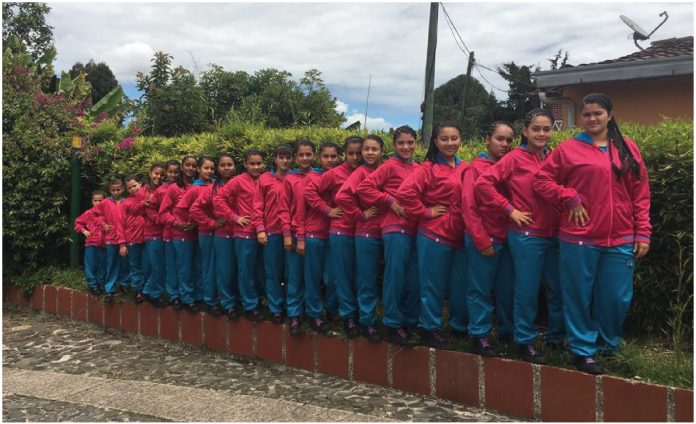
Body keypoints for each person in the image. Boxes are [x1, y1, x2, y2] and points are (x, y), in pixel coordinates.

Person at [533, 93, 651, 375]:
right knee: (577, 295)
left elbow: (641, 193)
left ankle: (608, 346)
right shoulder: (568, 149)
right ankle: (582, 350)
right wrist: (569, 197)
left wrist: (643, 232)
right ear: (581, 118)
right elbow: (541, 180)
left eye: (597, 113)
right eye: (586, 114)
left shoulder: (627, 148)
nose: (592, 118)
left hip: (621, 237)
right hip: (579, 236)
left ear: (610, 114)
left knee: (617, 297)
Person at [475, 110, 564, 364]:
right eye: (536, 128)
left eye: (546, 129)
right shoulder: (514, 158)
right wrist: (509, 209)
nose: (541, 134)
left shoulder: (554, 157)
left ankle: (557, 338)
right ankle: (524, 341)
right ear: (525, 131)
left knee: (559, 289)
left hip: (555, 234)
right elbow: (483, 184)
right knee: (527, 290)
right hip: (527, 236)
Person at [397, 122, 467, 349]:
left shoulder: (465, 167)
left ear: (460, 140)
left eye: (454, 138)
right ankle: (428, 328)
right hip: (434, 234)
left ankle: (458, 326)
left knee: (459, 284)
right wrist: (425, 212)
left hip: (459, 235)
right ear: (435, 142)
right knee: (432, 285)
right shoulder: (428, 168)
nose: (450, 143)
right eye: (444, 139)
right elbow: (404, 193)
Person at [357, 126, 421, 347]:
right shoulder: (389, 166)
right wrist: (389, 200)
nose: (406, 147)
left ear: (416, 143)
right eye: (401, 143)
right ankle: (393, 324)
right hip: (394, 228)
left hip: (415, 229)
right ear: (394, 145)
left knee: (413, 279)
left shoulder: (419, 167)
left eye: (410, 142)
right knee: (395, 277)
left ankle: (410, 321)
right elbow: (364, 188)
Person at [461, 122, 516, 357]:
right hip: (484, 238)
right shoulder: (475, 169)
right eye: (499, 139)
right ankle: (479, 334)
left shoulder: (510, 166)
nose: (504, 144)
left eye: (509, 140)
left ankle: (507, 332)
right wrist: (481, 241)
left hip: (508, 238)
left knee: (507, 289)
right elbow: (469, 208)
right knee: (480, 288)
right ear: (487, 139)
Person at [306, 136, 363, 337]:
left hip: (362, 231)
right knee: (336, 275)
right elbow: (310, 192)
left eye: (358, 153)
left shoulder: (368, 171)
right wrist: (327, 210)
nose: (355, 157)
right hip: (340, 230)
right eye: (350, 153)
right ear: (344, 154)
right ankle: (333, 314)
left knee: (343, 276)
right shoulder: (335, 173)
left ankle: (334, 310)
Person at [335, 135, 385, 342]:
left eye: (374, 149)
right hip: (366, 231)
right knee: (364, 278)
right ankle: (363, 320)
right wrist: (360, 214)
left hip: (385, 231)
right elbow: (341, 196)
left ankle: (366, 316)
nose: (369, 153)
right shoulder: (361, 172)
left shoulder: (385, 169)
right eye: (366, 149)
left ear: (382, 151)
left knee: (372, 277)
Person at [214, 149, 266, 321]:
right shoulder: (238, 181)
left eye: (259, 163)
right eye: (252, 164)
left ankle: (258, 299)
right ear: (245, 164)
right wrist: (234, 217)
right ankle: (249, 305)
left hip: (264, 232)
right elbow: (218, 199)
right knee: (245, 271)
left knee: (260, 270)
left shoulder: (265, 179)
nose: (256, 167)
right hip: (245, 233)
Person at [296, 141, 340, 332]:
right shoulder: (312, 178)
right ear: (319, 158)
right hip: (314, 235)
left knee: (333, 277)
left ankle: (332, 310)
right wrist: (301, 237)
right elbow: (301, 210)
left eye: (333, 156)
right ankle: (314, 314)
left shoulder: (342, 175)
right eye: (325, 156)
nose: (330, 160)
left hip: (336, 234)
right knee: (313, 277)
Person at [191, 154, 239, 319]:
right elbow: (195, 209)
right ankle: (224, 303)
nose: (226, 168)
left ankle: (237, 299)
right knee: (222, 270)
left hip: (242, 234)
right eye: (223, 165)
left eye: (229, 164)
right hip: (222, 235)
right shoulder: (212, 188)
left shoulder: (240, 183)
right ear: (218, 168)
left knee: (238, 269)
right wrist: (212, 223)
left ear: (235, 166)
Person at [279, 140, 317, 335]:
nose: (305, 158)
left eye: (308, 154)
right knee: (294, 276)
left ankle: (314, 313)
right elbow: (283, 208)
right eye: (301, 154)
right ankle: (294, 314)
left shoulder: (320, 176)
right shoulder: (290, 179)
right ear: (296, 157)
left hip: (315, 234)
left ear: (314, 155)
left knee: (313, 276)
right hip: (294, 234)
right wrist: (287, 233)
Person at [256, 145, 292, 324]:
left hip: (292, 233)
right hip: (272, 232)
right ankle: (275, 307)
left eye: (288, 157)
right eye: (281, 157)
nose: (284, 161)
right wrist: (260, 229)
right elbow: (258, 206)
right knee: (273, 272)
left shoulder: (295, 177)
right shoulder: (265, 179)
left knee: (291, 272)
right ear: (275, 159)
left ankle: (290, 306)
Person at [176, 157, 216, 313]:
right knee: (196, 267)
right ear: (199, 169)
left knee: (202, 266)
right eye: (206, 168)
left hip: (216, 232)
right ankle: (190, 298)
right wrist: (192, 222)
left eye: (212, 168)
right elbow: (181, 209)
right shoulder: (194, 189)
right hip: (203, 231)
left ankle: (201, 296)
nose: (209, 171)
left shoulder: (216, 185)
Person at [159, 156, 199, 311]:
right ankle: (181, 297)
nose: (190, 168)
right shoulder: (174, 188)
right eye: (187, 165)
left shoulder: (200, 186)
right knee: (180, 267)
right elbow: (163, 213)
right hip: (178, 234)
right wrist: (176, 223)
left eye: (193, 165)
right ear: (182, 167)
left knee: (194, 267)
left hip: (198, 232)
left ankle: (193, 295)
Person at [95, 178, 127, 303]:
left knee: (125, 262)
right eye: (113, 190)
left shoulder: (126, 202)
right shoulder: (105, 202)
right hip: (111, 238)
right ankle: (109, 288)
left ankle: (124, 284)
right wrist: (103, 225)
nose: (116, 192)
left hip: (125, 238)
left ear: (123, 189)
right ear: (110, 190)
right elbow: (95, 215)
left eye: (118, 189)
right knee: (111, 263)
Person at [141, 163, 168, 307]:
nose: (159, 177)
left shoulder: (165, 189)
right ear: (150, 173)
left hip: (162, 232)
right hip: (152, 233)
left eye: (162, 175)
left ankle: (147, 291)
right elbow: (148, 212)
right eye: (156, 173)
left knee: (158, 264)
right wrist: (165, 219)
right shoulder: (142, 191)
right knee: (157, 265)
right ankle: (153, 294)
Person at [121, 175, 148, 304]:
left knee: (147, 264)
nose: (133, 189)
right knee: (135, 265)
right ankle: (138, 290)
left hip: (148, 237)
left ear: (140, 183)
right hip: (133, 238)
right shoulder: (126, 202)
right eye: (129, 188)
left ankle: (147, 289)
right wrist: (122, 243)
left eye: (135, 185)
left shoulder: (147, 194)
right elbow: (134, 210)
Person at [74, 191, 107, 295]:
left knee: (102, 264)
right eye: (95, 200)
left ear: (105, 201)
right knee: (90, 265)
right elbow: (77, 223)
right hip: (91, 244)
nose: (97, 203)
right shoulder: (88, 213)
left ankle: (100, 283)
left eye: (100, 200)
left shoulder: (108, 213)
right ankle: (93, 286)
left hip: (104, 244)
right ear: (92, 201)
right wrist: (84, 231)